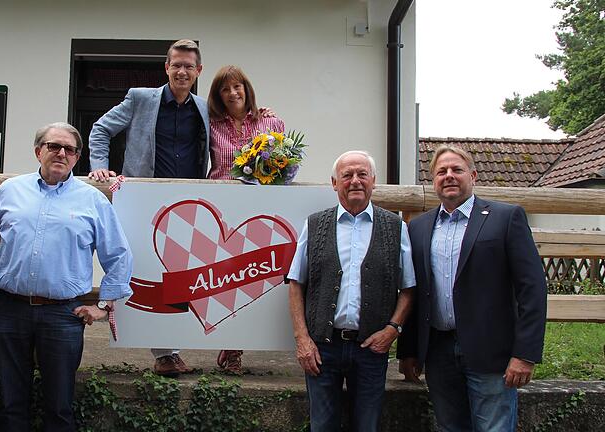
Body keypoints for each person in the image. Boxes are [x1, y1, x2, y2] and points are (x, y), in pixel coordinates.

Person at [0, 122, 133, 431]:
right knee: (11, 403)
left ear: (77, 158)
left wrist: (104, 306)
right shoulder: (10, 190)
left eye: (70, 149)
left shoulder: (93, 200)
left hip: (63, 314)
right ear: (39, 151)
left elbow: (118, 254)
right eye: (53, 146)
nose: (62, 153)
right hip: (9, 310)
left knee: (60, 407)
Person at [397, 145, 547, 432]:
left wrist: (525, 354)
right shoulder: (418, 227)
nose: (449, 176)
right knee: (450, 427)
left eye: (457, 170)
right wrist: (409, 350)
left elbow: (533, 288)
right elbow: (415, 291)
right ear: (433, 180)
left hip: (491, 353)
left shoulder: (506, 218)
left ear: (473, 175)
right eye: (442, 171)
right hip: (438, 352)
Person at [88, 39, 208, 377]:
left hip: (188, 201)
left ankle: (170, 348)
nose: (182, 71)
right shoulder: (141, 98)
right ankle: (165, 352)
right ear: (166, 67)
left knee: (179, 270)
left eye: (189, 66)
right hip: (144, 199)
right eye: (177, 64)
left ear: (198, 71)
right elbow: (100, 130)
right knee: (148, 268)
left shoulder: (203, 107)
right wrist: (99, 165)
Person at [287, 150, 416, 431]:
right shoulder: (315, 224)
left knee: (367, 427)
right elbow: (296, 282)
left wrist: (393, 329)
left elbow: (408, 288)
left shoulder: (396, 227)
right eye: (347, 175)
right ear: (335, 183)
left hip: (372, 349)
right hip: (323, 348)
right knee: (321, 426)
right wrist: (302, 339)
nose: (355, 181)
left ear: (373, 181)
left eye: (362, 174)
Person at [206, 64, 286, 374]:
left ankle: (233, 347)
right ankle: (231, 347)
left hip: (256, 208)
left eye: (237, 87)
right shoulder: (210, 125)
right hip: (221, 207)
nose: (232, 93)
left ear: (247, 89)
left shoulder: (271, 122)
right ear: (218, 95)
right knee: (224, 278)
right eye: (225, 89)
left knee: (249, 277)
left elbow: (282, 166)